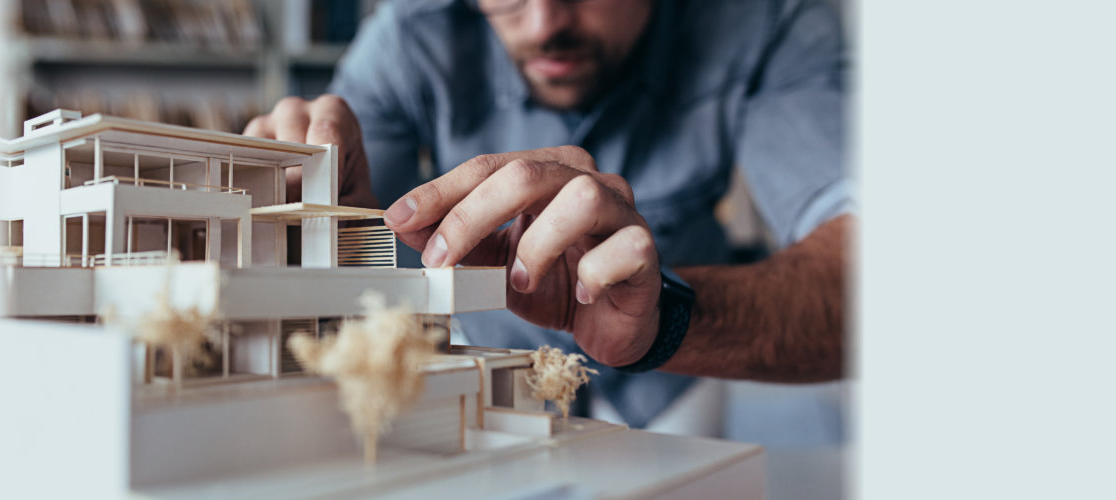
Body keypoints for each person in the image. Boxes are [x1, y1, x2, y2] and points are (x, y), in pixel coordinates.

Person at [243, 0, 848, 429]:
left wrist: (660, 321)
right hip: (486, 363)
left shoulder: (770, 19)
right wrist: (320, 222)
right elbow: (362, 233)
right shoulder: (408, 31)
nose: (544, 24)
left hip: (677, 372)